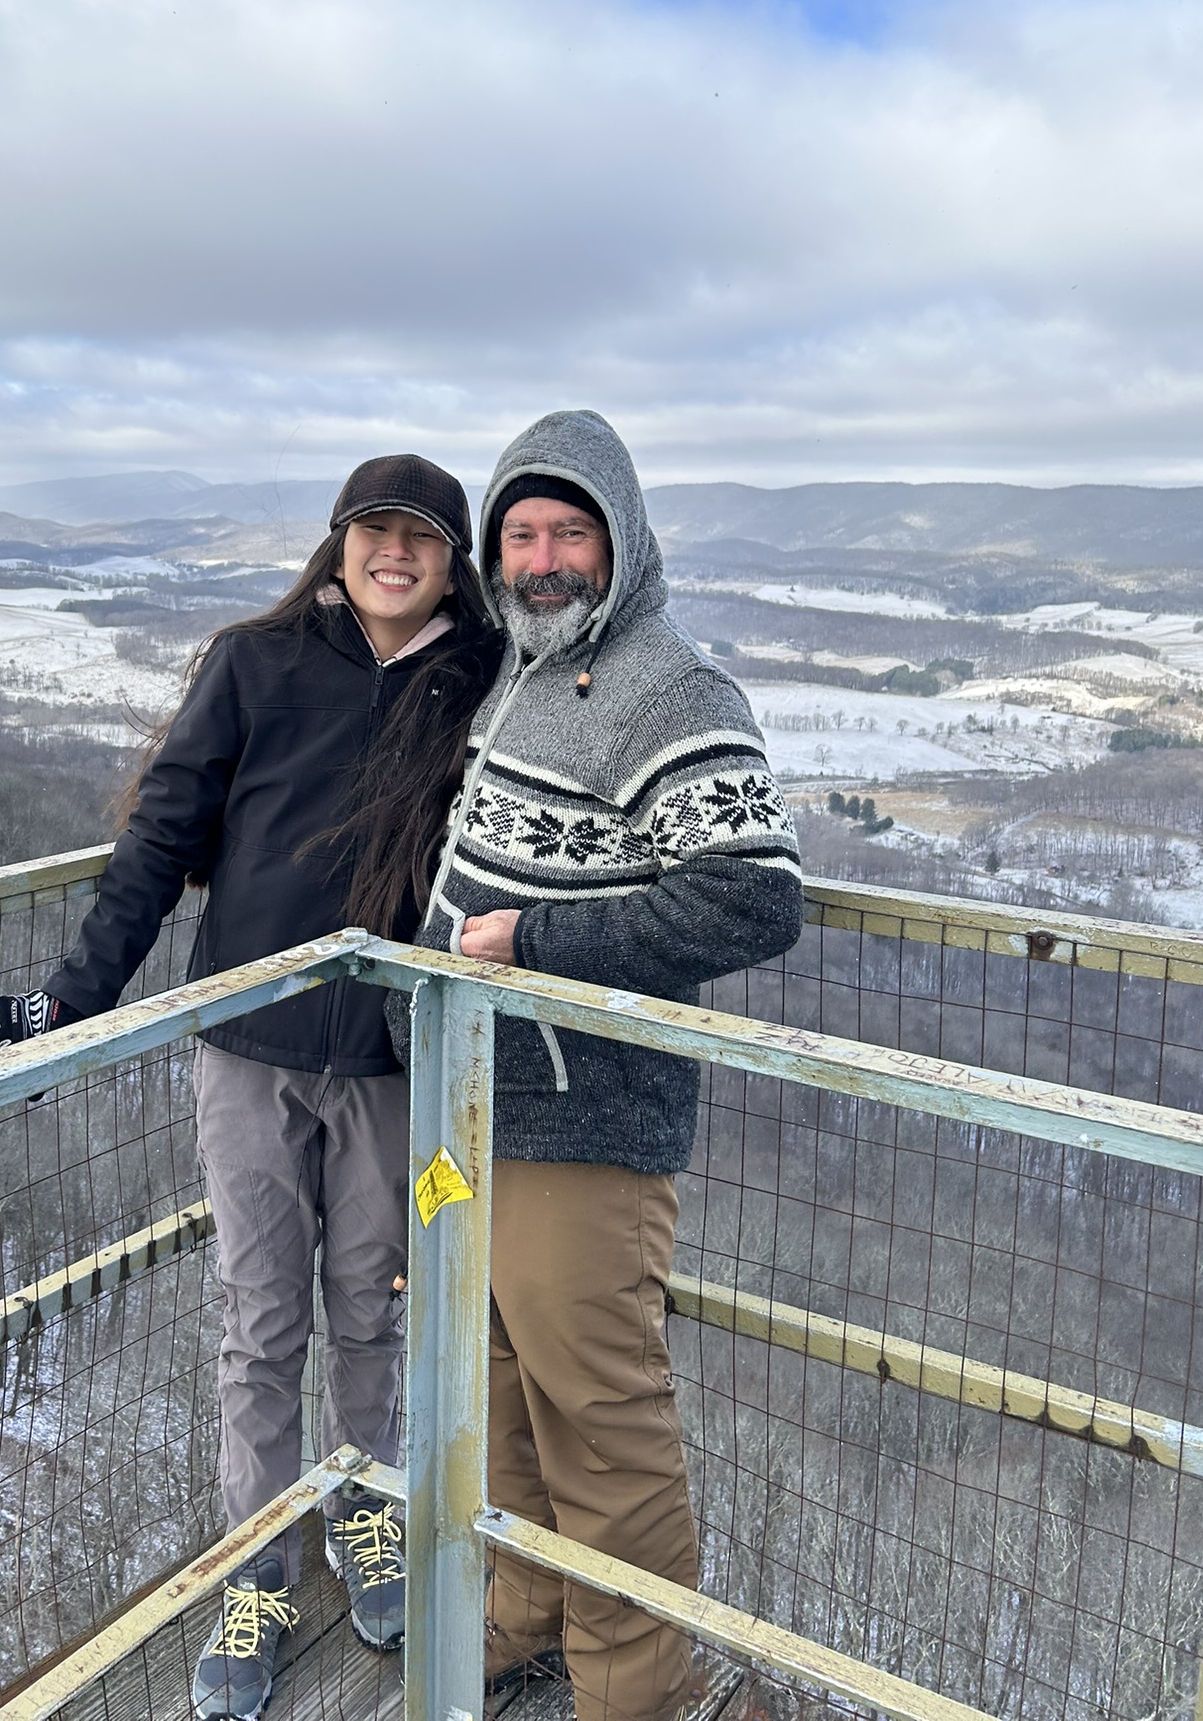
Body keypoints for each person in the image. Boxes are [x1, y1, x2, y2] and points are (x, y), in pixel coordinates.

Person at [0, 456, 498, 1721]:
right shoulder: (254, 661)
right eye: (375, 531)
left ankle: (363, 1512)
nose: (395, 554)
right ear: (339, 542)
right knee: (261, 1324)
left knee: (371, 1309)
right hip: (245, 1049)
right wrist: (70, 1000)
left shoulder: (478, 681)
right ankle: (254, 1574)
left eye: (422, 538)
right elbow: (159, 840)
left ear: (452, 560)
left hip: (388, 1058)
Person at [401, 410, 803, 1721]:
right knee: (501, 1385)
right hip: (477, 1103)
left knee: (598, 1418)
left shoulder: (671, 689)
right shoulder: (527, 666)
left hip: (586, 1119)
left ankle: (641, 1688)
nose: (542, 556)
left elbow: (750, 900)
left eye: (569, 530)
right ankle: (524, 1618)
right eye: (520, 534)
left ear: (619, 542)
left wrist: (544, 941)